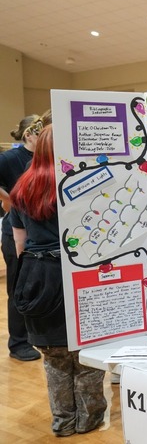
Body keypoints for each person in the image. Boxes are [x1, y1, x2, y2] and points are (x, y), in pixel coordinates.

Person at [10, 125, 107, 436]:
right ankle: (88, 418)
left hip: (38, 277)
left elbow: (19, 244)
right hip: (77, 272)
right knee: (86, 355)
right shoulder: (82, 183)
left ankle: (63, 421)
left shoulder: (22, 188)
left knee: (54, 356)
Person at [0, 114, 42, 362]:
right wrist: (9, 201)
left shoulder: (45, 157)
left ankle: (37, 336)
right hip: (15, 232)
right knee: (19, 288)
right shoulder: (9, 158)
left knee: (38, 287)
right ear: (29, 135)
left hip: (40, 233)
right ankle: (18, 343)